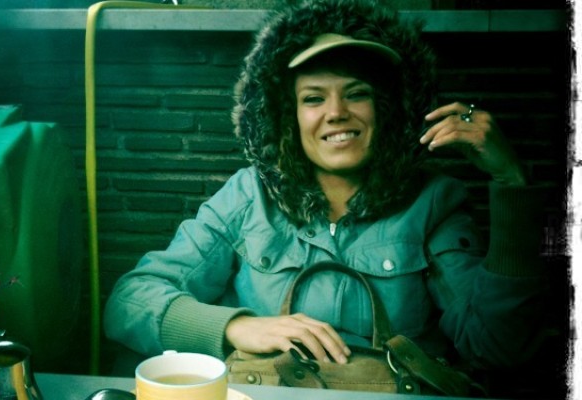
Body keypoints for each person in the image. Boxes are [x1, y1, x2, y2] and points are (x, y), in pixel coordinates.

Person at [104, 0, 548, 385]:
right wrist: (238, 327)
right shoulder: (248, 196)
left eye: (356, 94)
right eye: (313, 98)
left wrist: (511, 182)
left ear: (387, 110)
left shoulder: (432, 202)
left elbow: (497, 348)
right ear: (287, 117)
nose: (336, 113)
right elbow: (128, 303)